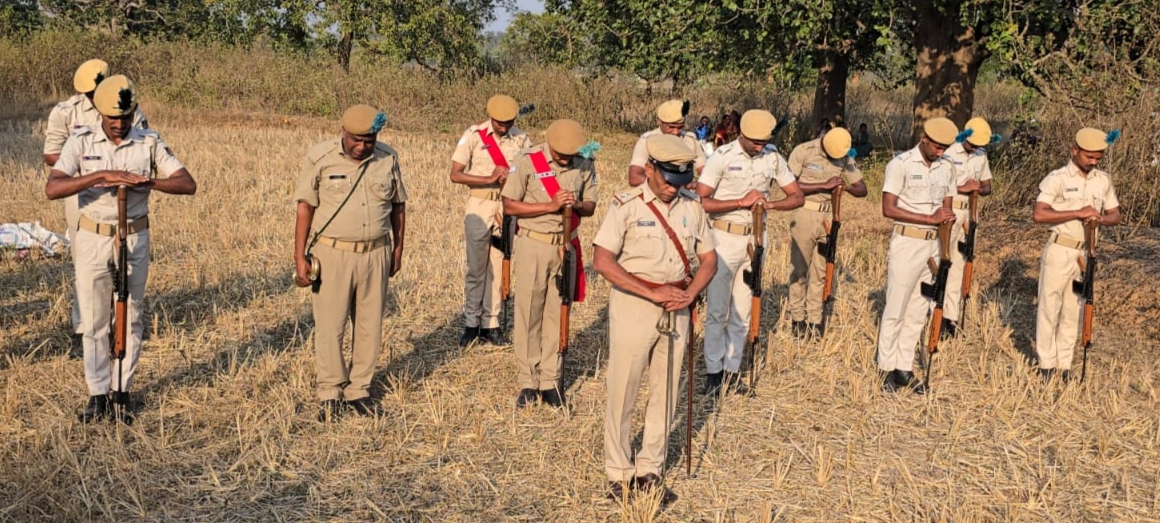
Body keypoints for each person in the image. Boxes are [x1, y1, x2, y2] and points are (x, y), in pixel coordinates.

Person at [45, 75, 196, 423]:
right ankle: (97, 393)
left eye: (125, 117)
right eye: (113, 117)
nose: (119, 124)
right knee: (95, 319)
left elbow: (187, 183)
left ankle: (122, 391)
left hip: (134, 235)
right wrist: (101, 176)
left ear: (133, 112)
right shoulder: (81, 140)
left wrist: (148, 182)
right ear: (100, 112)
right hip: (93, 236)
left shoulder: (148, 140)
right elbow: (53, 188)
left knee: (131, 315)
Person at [593, 134, 717, 504]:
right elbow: (603, 261)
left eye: (680, 181)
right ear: (649, 169)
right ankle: (619, 472)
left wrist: (691, 294)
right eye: (666, 179)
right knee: (624, 390)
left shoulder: (692, 206)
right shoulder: (626, 205)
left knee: (666, 391)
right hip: (635, 304)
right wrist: (651, 293)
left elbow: (709, 260)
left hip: (678, 305)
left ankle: (650, 470)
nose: (672, 188)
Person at [293, 104, 407, 421]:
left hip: (376, 252)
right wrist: (299, 256)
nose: (362, 146)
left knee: (370, 325)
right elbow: (305, 207)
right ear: (343, 132)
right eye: (356, 140)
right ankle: (330, 392)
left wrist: (398, 250)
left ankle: (359, 390)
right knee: (330, 326)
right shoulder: (320, 157)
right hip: (333, 254)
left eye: (369, 141)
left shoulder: (388, 158)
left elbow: (398, 206)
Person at [43, 59, 148, 358]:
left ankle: (120, 326)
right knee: (87, 264)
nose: (93, 98)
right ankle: (85, 328)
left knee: (124, 261)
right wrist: (91, 166)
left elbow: (142, 146)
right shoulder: (66, 111)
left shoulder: (127, 107)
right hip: (82, 195)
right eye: (89, 94)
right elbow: (51, 154)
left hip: (125, 197)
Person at [696, 109, 805, 395]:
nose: (759, 147)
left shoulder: (773, 156)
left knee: (744, 309)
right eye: (755, 142)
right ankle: (713, 373)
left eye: (763, 142)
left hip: (755, 239)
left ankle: (732, 371)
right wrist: (739, 202)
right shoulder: (722, 156)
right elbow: (701, 201)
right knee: (718, 310)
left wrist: (770, 205)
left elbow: (797, 196)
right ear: (741, 134)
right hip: (723, 237)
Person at [501, 119, 597, 408]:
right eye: (560, 155)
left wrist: (576, 204)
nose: (565, 160)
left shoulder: (585, 163)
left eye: (570, 155)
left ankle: (550, 380)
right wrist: (550, 206)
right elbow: (509, 205)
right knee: (529, 311)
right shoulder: (527, 160)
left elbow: (591, 205)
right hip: (534, 243)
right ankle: (529, 381)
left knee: (558, 311)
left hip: (565, 246)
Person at [876, 117, 958, 394]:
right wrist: (928, 218)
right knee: (896, 307)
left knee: (919, 308)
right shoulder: (900, 164)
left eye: (945, 147)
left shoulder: (947, 166)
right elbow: (888, 208)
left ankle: (904, 367)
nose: (941, 152)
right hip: (907, 242)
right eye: (937, 146)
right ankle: (886, 368)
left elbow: (947, 206)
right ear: (924, 138)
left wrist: (945, 246)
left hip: (933, 246)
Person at [1032, 127, 1121, 381]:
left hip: (1084, 254)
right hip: (1059, 249)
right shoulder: (1057, 178)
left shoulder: (1103, 180)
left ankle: (1064, 365)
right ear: (1074, 150)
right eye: (1088, 157)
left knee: (1073, 309)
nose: (1093, 162)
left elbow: (1115, 214)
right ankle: (1046, 364)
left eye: (1098, 158)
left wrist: (1100, 219)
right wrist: (1076, 213)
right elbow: (1039, 214)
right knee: (1049, 307)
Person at [449, 95, 531, 347]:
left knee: (499, 264)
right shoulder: (474, 135)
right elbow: (455, 174)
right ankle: (471, 322)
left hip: (507, 207)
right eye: (499, 123)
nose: (503, 127)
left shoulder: (522, 139)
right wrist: (489, 179)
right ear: (490, 117)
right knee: (477, 267)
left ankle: (491, 323)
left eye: (508, 123)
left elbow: (531, 172)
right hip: (480, 203)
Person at [786, 127, 868, 338]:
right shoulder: (804, 151)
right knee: (799, 269)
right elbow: (789, 186)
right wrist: (823, 185)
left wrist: (845, 188)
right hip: (804, 213)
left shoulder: (845, 156)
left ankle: (815, 319)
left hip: (829, 219)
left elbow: (862, 189)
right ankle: (797, 317)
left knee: (821, 270)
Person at [940, 117, 994, 337]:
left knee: (959, 264)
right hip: (949, 208)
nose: (975, 147)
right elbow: (939, 184)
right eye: (972, 142)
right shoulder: (949, 153)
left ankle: (950, 317)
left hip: (970, 213)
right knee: (942, 260)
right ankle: (933, 311)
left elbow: (987, 186)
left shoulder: (981, 155)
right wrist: (962, 187)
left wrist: (979, 188)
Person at [627, 100, 705, 187]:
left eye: (680, 127)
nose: (675, 132)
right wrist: (669, 186)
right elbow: (634, 178)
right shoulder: (647, 141)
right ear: (660, 122)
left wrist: (693, 186)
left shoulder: (691, 141)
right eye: (671, 127)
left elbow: (706, 175)